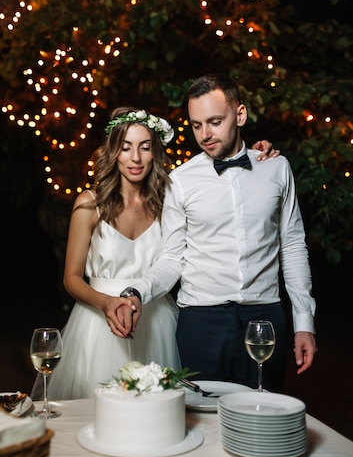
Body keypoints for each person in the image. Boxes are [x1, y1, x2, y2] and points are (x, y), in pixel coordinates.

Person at [33, 105, 277, 400]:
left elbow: (221, 190)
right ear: (113, 152)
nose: (135, 158)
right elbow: (71, 279)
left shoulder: (170, 202)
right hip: (97, 324)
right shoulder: (89, 205)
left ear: (155, 153)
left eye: (145, 147)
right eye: (125, 148)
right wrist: (108, 303)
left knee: (163, 413)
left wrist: (257, 156)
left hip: (158, 320)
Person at [121, 74, 317, 393]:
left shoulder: (276, 168)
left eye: (214, 121)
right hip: (201, 321)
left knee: (264, 417)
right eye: (197, 125)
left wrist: (304, 323)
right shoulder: (180, 181)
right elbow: (172, 258)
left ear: (239, 115)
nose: (205, 134)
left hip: (265, 318)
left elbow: (293, 246)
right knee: (202, 424)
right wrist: (137, 292)